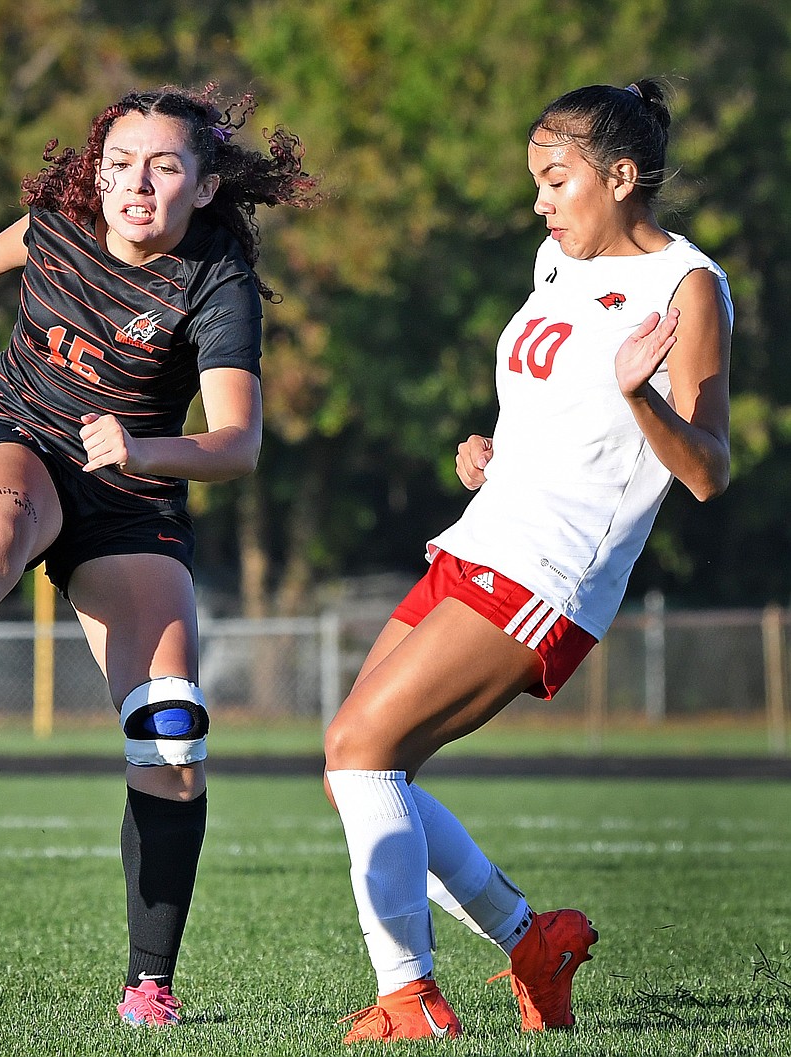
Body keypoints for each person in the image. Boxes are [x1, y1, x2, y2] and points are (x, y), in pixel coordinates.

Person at [0, 85, 319, 1028]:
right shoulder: (59, 223)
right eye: (119, 164)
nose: (135, 184)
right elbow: (20, 243)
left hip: (129, 493)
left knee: (173, 730)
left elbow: (236, 444)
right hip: (15, 441)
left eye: (163, 166)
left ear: (202, 185)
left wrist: (145, 449)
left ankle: (149, 982)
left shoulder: (215, 281)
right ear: (95, 175)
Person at [324, 78, 732, 1043]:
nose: (540, 202)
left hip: (547, 572)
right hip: (482, 537)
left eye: (557, 180)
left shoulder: (688, 286)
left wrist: (644, 398)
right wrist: (492, 451)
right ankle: (530, 938)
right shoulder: (556, 260)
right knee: (359, 767)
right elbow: (553, 410)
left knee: (361, 751)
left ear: (621, 177)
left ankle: (409, 998)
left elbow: (708, 470)